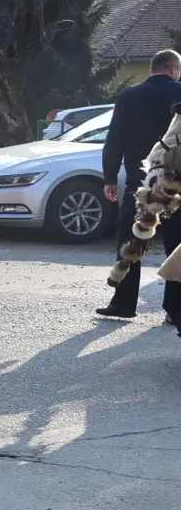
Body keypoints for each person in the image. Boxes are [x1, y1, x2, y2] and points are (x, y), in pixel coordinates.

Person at [98, 48, 181, 321]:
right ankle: (174, 310)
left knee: (131, 239)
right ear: (173, 69)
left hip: (140, 182)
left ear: (151, 69)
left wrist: (110, 177)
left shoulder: (128, 96)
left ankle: (123, 303)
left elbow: (115, 140)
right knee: (177, 247)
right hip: (177, 187)